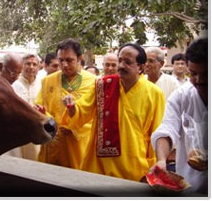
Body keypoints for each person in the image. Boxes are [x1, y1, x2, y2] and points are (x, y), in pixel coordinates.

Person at [63, 43, 165, 181]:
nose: (121, 66)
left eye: (128, 62)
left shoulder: (154, 93)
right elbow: (82, 111)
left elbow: (156, 132)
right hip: (100, 163)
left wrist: (154, 163)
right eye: (120, 60)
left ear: (140, 67)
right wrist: (72, 107)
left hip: (134, 163)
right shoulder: (103, 85)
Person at [150, 37, 208, 194]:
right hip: (190, 186)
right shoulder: (182, 95)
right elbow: (167, 128)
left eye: (206, 74)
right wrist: (162, 160)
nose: (199, 80)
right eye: (193, 74)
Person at [34, 38, 96, 169]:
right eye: (61, 60)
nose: (65, 65)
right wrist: (42, 113)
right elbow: (39, 104)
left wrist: (73, 121)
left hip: (78, 144)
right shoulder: (48, 81)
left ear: (80, 58)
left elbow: (93, 116)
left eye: (69, 60)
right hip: (52, 141)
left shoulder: (94, 82)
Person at [7, 53, 41, 160]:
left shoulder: (42, 84)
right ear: (22, 66)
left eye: (34, 64)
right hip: (18, 129)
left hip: (37, 129)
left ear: (39, 67)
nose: (31, 67)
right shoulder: (13, 84)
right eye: (28, 64)